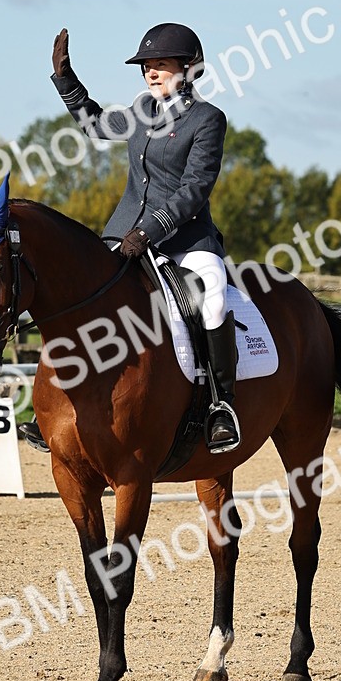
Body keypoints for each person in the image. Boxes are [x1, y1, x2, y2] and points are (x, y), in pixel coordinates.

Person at [49, 22, 240, 453]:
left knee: (213, 297)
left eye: (161, 65)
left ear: (189, 69)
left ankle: (221, 405)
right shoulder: (140, 112)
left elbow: (194, 188)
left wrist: (150, 230)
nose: (151, 73)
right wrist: (65, 80)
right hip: (122, 235)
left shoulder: (207, 119)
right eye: (147, 66)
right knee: (82, 296)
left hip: (186, 241)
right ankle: (59, 404)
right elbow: (95, 125)